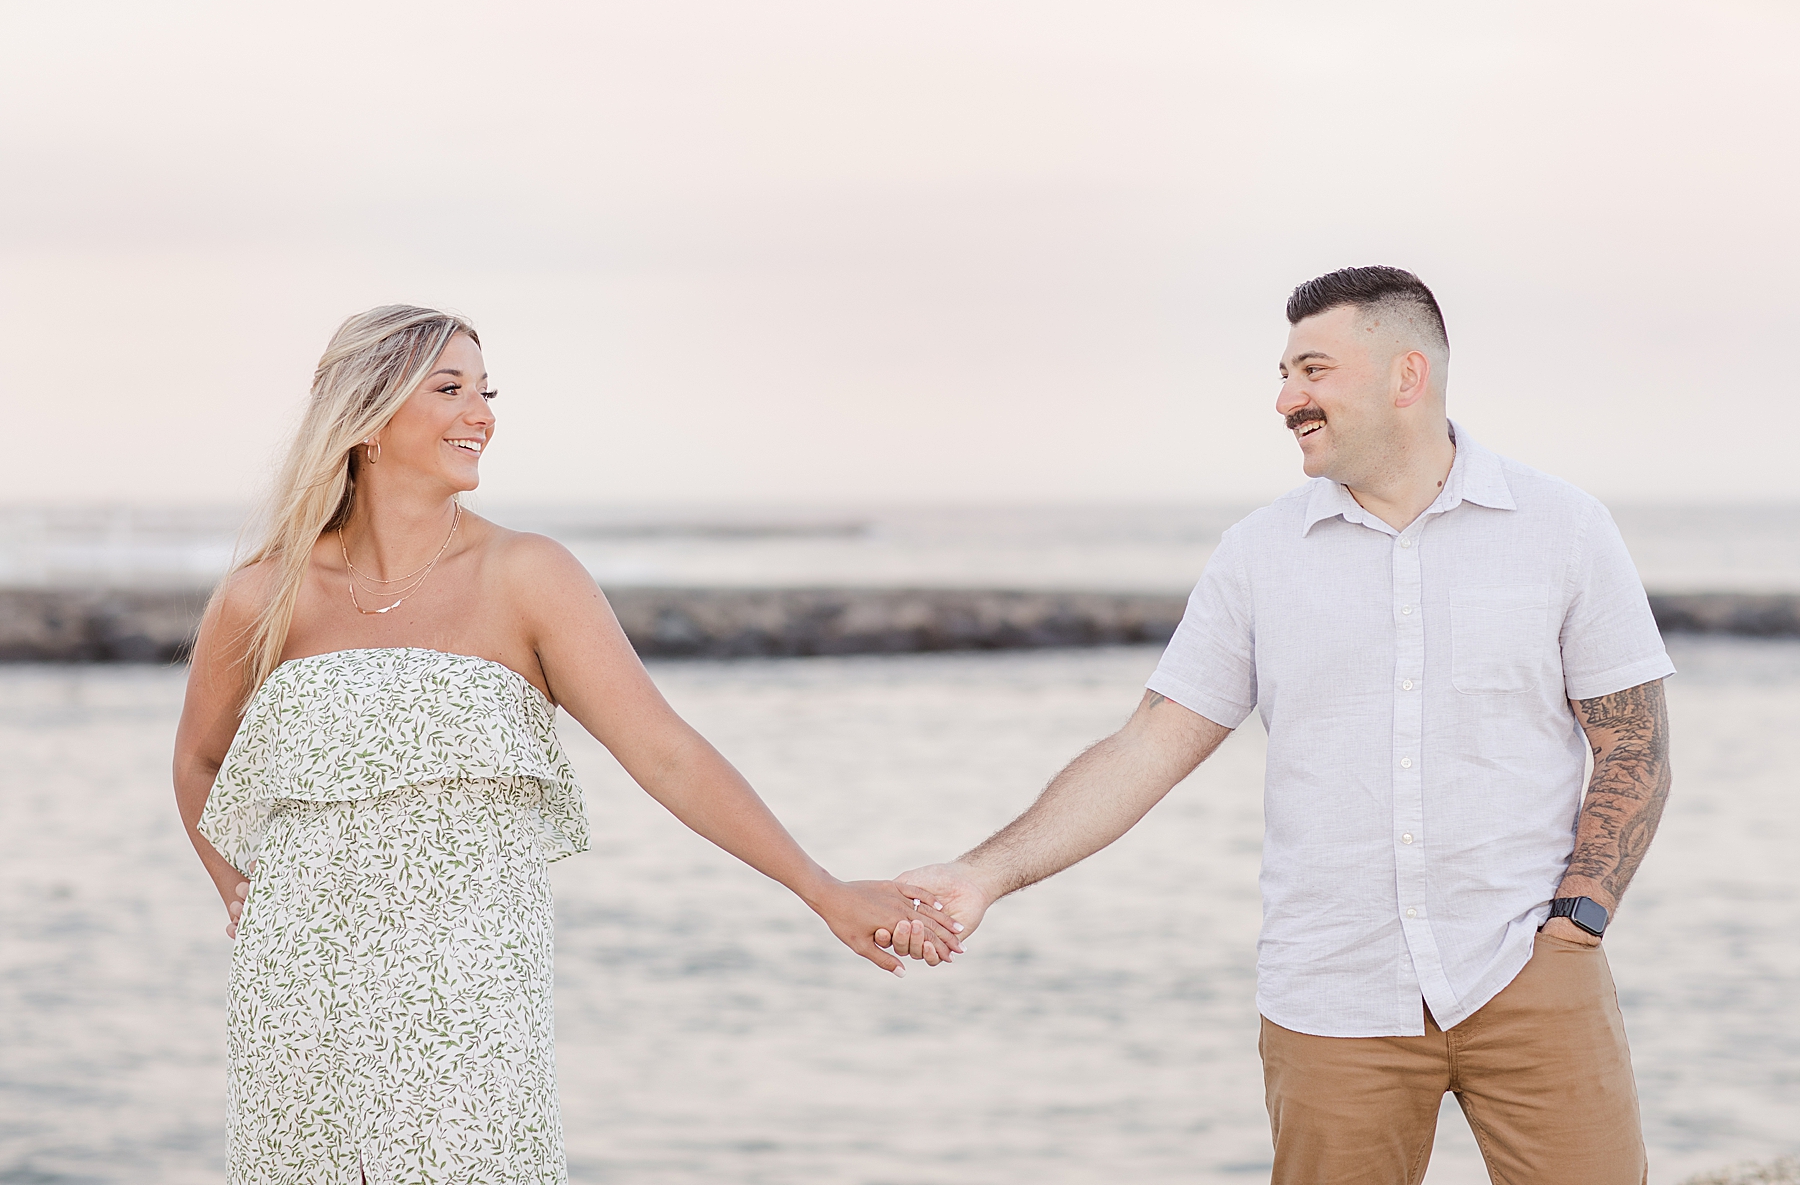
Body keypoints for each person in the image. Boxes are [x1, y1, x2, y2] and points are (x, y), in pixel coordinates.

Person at [898, 266, 1673, 1185]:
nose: (1285, 400)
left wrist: (1577, 923)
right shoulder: (1258, 556)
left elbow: (1635, 742)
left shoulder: (1564, 529)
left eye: (1313, 371)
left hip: (1532, 975)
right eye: (1283, 373)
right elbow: (1148, 745)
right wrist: (983, 874)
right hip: (1333, 996)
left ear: (1406, 376)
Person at [171, 305, 960, 1184]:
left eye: (486, 391)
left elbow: (666, 752)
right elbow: (201, 760)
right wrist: (238, 888)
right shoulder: (262, 595)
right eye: (450, 388)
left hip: (470, 1002)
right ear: (366, 421)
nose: (483, 414)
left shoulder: (529, 576)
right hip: (297, 998)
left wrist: (819, 888)